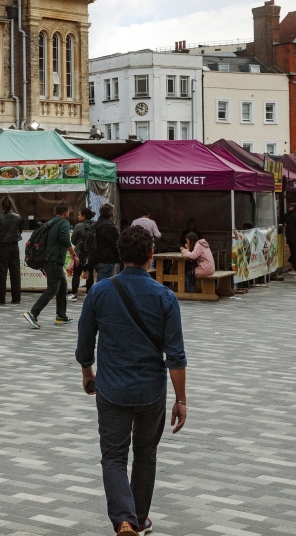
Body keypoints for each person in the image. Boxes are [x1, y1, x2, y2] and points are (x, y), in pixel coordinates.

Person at [76, 225, 187, 536]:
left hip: (111, 388)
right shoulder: (165, 297)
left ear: (119, 255)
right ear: (151, 256)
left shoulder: (99, 291)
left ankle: (124, 520)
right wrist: (181, 399)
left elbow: (85, 342)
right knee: (146, 453)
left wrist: (87, 372)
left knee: (113, 455)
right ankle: (137, 519)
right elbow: (176, 356)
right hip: (151, 392)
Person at [23, 203, 76, 328]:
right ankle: (33, 313)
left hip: (48, 260)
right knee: (53, 289)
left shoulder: (51, 222)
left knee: (62, 286)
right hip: (54, 261)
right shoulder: (64, 223)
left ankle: (61, 316)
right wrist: (74, 254)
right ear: (65, 212)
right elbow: (64, 239)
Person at [0, 196, 22, 305]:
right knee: (15, 271)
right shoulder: (17, 217)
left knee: (2, 272)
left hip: (2, 246)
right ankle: (16, 298)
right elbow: (20, 230)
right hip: (14, 246)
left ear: (2, 206)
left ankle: (2, 298)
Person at [69, 208, 96, 301]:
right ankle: (88, 294)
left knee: (76, 274)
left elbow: (73, 240)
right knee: (90, 274)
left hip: (80, 254)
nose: (78, 216)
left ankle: (74, 294)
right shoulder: (95, 225)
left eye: (79, 214)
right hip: (92, 254)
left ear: (84, 216)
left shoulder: (79, 226)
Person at [92, 203, 120, 282]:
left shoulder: (95, 225)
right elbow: (117, 244)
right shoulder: (110, 227)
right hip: (107, 261)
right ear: (112, 213)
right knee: (105, 286)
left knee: (100, 284)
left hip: (96, 259)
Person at [282, 203, 296, 274]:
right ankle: (295, 268)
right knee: (293, 251)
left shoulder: (295, 215)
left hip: (293, 235)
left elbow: (286, 219)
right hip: (293, 235)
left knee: (293, 251)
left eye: (291, 207)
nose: (289, 208)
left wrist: (288, 213)